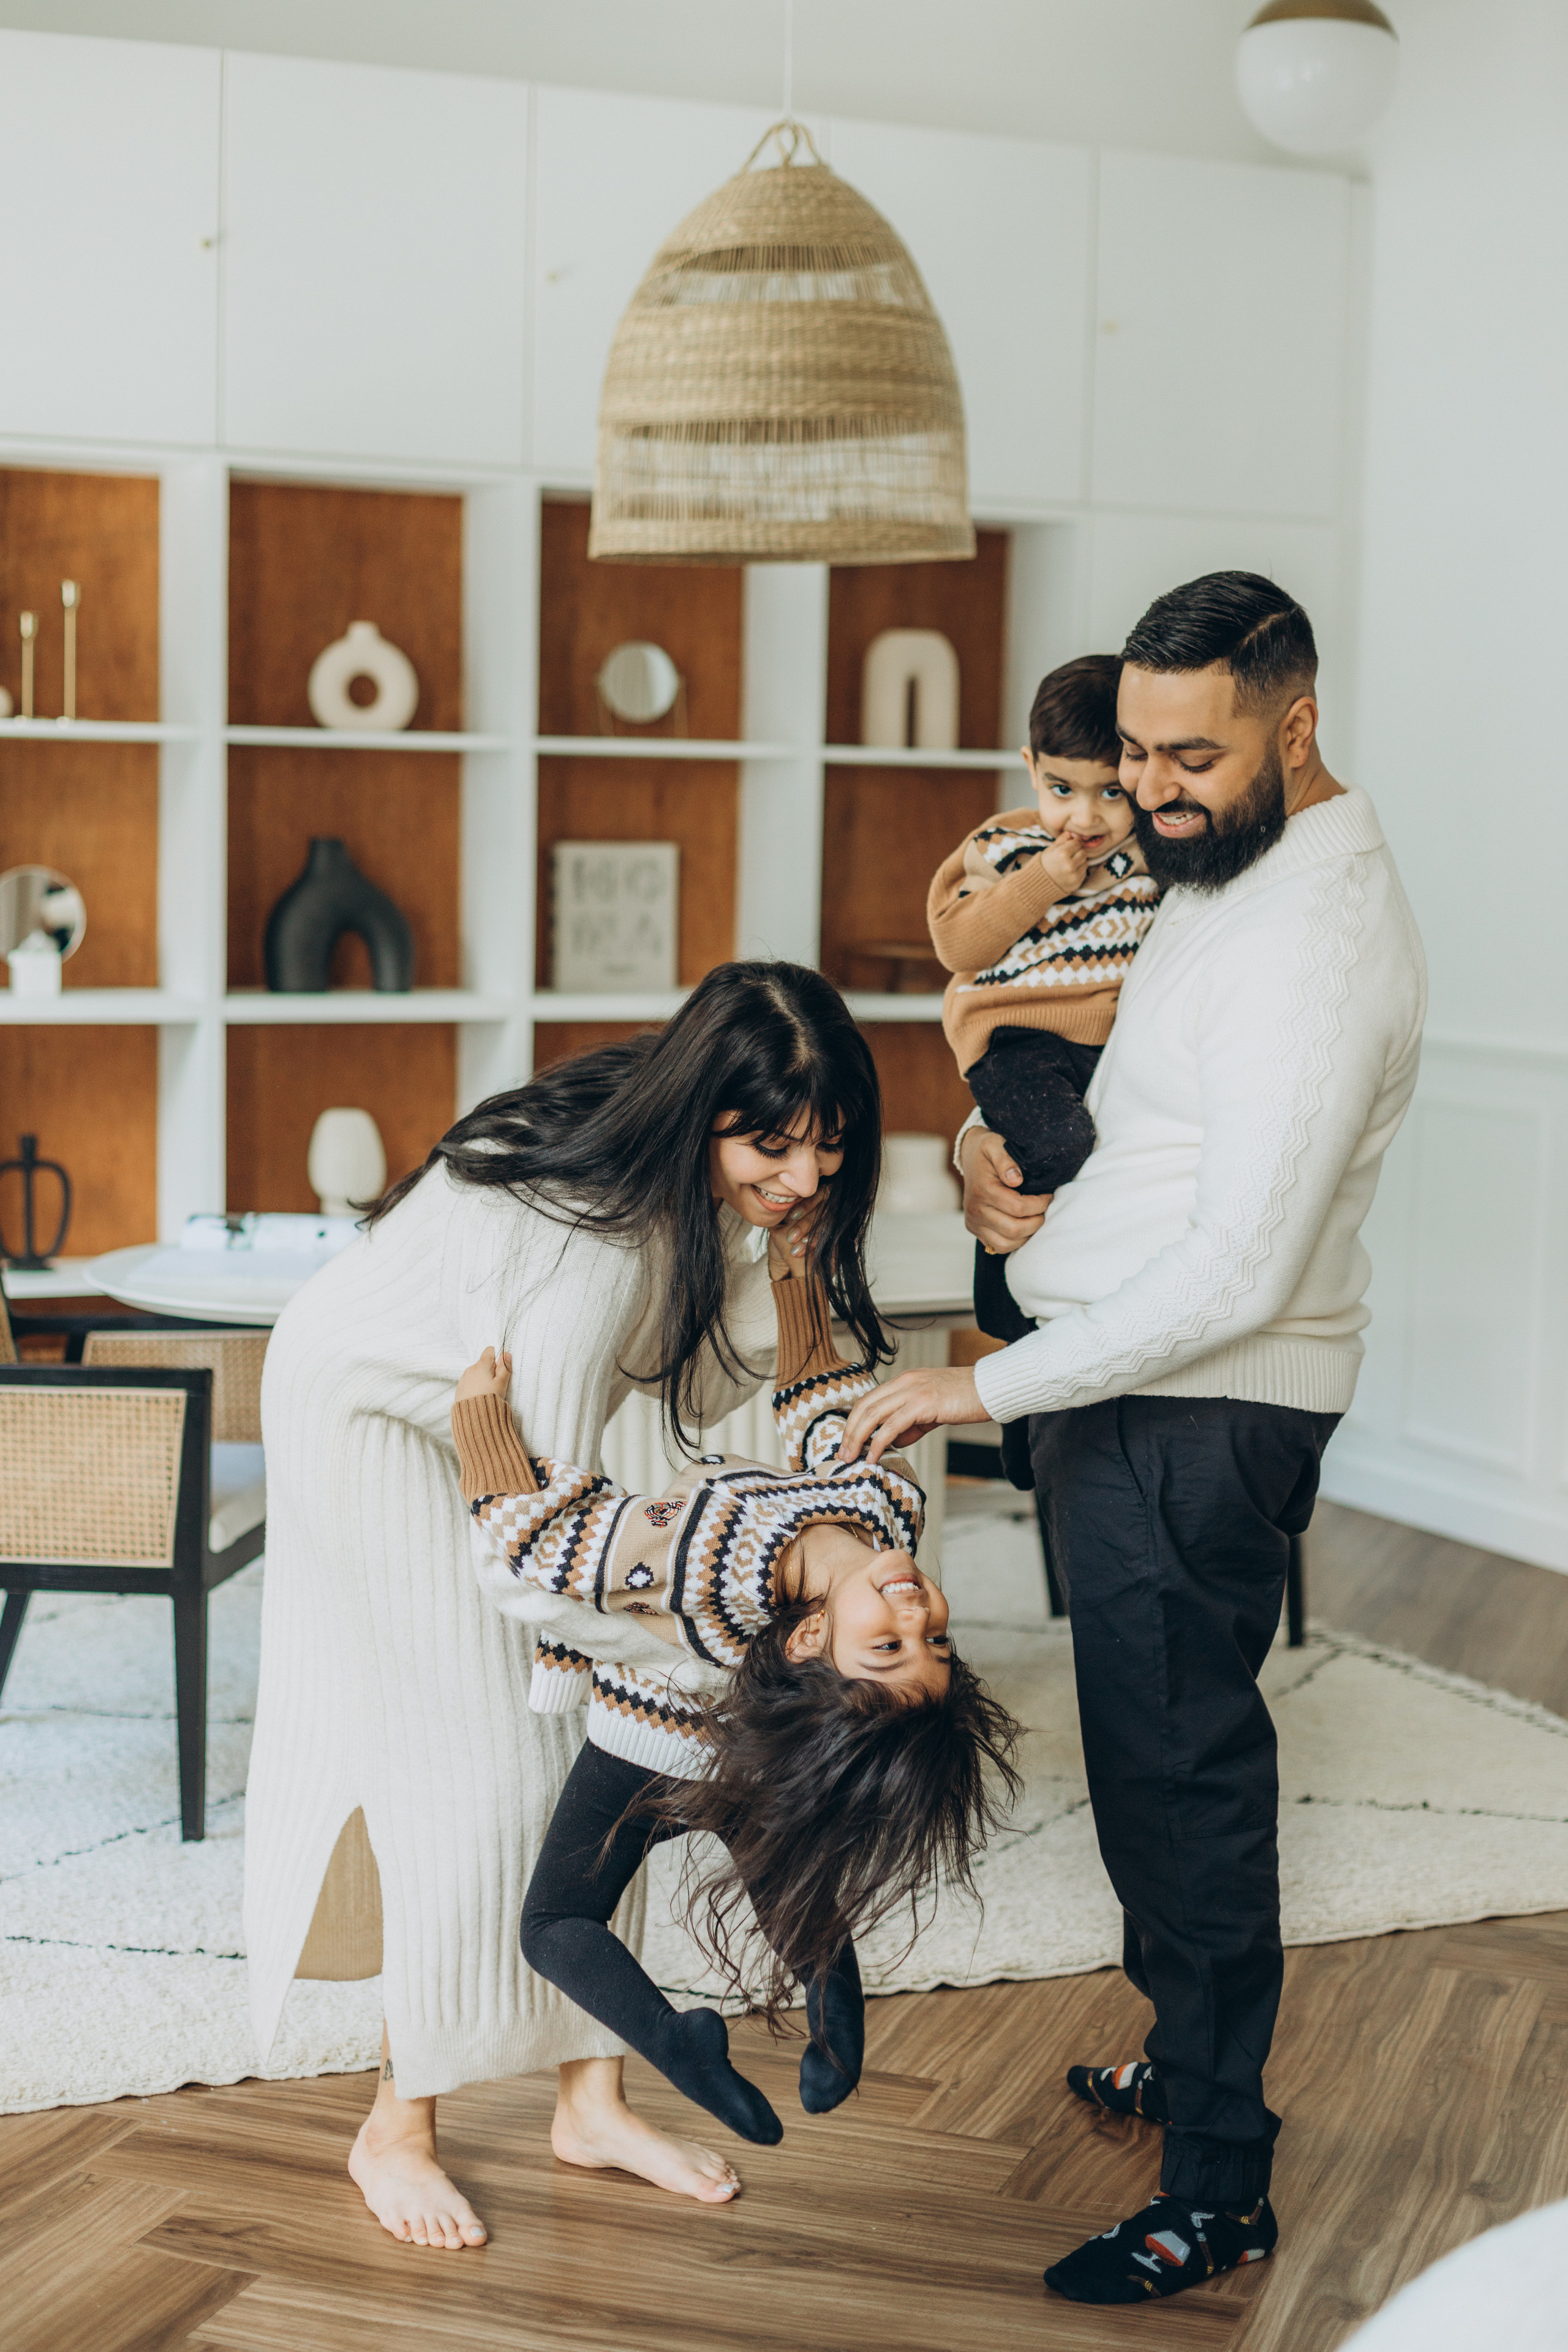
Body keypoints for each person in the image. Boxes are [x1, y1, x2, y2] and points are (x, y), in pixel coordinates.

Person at [839, 573, 1427, 2305]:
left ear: (1294, 728)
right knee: (1142, 1758)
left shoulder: (1321, 947)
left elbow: (1242, 1270)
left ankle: (1221, 2187)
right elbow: (1117, 1090)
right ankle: (1189, 2059)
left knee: (1185, 1783)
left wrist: (981, 1385)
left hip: (1197, 1401)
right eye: (1138, 756)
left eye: (1193, 757)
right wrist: (982, 1159)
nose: (1155, 792)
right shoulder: (1225, 870)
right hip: (1117, 1379)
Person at [244, 962, 891, 2246]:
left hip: (506, 1459)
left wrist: (790, 1267)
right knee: (476, 1772)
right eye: (773, 1145)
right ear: (704, 1106)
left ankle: (588, 2100)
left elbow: (690, 1387)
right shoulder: (584, 1242)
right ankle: (396, 2124)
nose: (806, 1176)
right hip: (372, 1420)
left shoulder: (689, 1179)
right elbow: (524, 1554)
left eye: (828, 1146)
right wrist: (684, 1653)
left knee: (601, 1743)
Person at [447, 1235, 1020, 2149]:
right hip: (760, 1752)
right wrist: (795, 1278)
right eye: (934, 1640)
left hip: (649, 1746)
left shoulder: (698, 1560)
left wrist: (479, 1422)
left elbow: (543, 1548)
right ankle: (835, 2027)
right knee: (780, 1867)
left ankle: (680, 2045)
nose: (918, 1612)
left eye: (889, 1645)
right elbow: (825, 1408)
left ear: (807, 1637)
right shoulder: (887, 1507)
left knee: (555, 1921)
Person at [925, 655, 1161, 1481]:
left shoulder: (1154, 864)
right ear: (1031, 771)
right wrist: (1040, 882)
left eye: (1110, 792)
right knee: (1056, 1148)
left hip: (1100, 1050)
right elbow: (958, 945)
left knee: (1082, 1171)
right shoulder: (1003, 846)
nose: (1086, 818)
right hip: (1016, 1039)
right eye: (1063, 789)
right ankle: (1005, 1298)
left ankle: (1034, 1366)